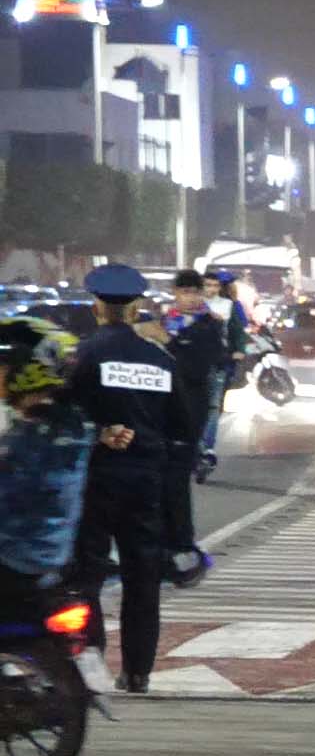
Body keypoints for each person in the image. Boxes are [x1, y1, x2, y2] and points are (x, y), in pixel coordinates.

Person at [61, 266, 180, 692]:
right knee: (143, 575)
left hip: (95, 477)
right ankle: (138, 671)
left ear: (97, 307)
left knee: (86, 575)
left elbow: (61, 416)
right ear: (136, 308)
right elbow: (183, 426)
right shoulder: (161, 360)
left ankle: (91, 663)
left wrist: (99, 432)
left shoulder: (81, 356)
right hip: (146, 480)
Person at [1, 318, 96, 600]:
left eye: (4, 365)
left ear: (27, 369)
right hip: (54, 555)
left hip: (17, 558)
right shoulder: (74, 423)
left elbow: (11, 493)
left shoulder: (31, 436)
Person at [159, 269, 229, 582]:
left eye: (194, 292)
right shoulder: (165, 321)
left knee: (177, 478)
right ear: (174, 293)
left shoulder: (210, 324)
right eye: (184, 292)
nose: (189, 298)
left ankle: (181, 544)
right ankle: (164, 542)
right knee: (161, 479)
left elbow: (200, 365)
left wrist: (169, 343)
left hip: (189, 410)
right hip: (160, 408)